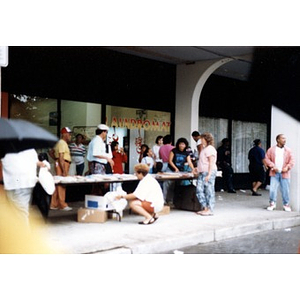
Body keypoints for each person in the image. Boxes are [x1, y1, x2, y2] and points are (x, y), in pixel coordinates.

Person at [1, 149, 48, 227]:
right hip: (18, 183)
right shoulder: (29, 148)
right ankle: (20, 233)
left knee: (20, 213)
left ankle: (23, 235)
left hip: (17, 183)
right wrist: (44, 164)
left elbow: (37, 162)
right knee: (18, 212)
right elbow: (37, 162)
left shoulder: (6, 146)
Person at [264, 134, 295, 211]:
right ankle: (272, 203)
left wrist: (287, 167)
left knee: (285, 190)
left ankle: (286, 205)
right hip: (274, 172)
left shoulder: (288, 150)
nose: (285, 140)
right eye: (283, 138)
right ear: (278, 140)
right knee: (273, 189)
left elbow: (292, 161)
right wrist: (272, 166)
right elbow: (267, 159)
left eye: (285, 138)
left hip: (285, 173)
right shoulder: (271, 150)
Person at [49, 127, 73, 211]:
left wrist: (55, 160)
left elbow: (51, 152)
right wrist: (63, 170)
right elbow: (61, 157)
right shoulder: (62, 143)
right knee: (61, 184)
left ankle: (54, 204)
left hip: (59, 163)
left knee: (57, 184)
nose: (70, 136)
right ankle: (62, 204)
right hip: (63, 164)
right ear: (64, 134)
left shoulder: (60, 143)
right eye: (69, 134)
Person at [196, 133, 218, 216]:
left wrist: (209, 174)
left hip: (208, 172)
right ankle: (205, 207)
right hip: (202, 172)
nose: (201, 140)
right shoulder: (204, 149)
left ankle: (210, 208)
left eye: (202, 139)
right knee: (199, 190)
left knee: (209, 190)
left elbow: (211, 162)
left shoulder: (210, 149)